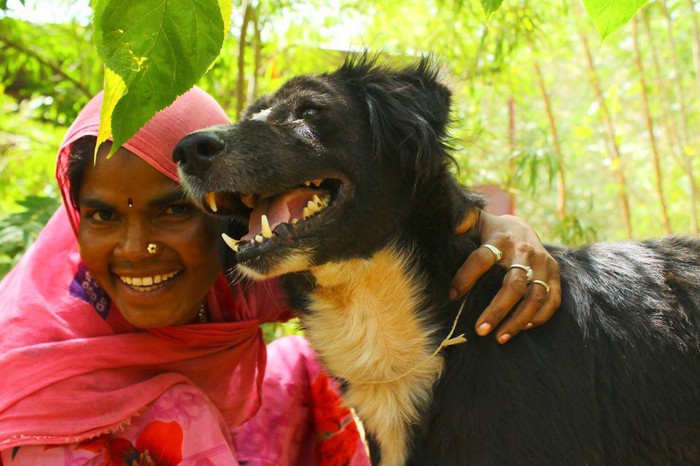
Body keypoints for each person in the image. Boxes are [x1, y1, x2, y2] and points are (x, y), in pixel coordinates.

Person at [0, 87, 560, 465]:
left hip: (231, 436)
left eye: (174, 210)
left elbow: (399, 218)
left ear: (230, 204)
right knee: (176, 407)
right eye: (101, 215)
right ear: (76, 217)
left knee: (309, 360)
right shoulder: (36, 355)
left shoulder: (243, 260)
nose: (136, 248)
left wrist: (498, 225)